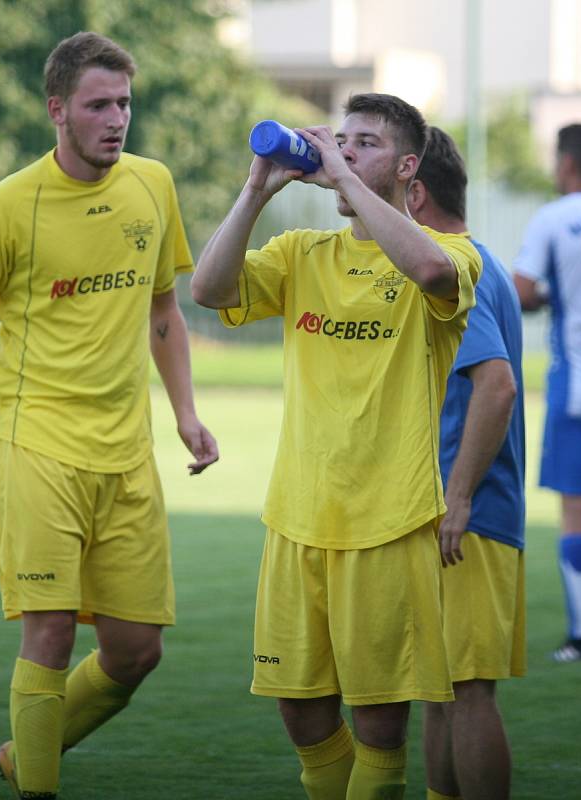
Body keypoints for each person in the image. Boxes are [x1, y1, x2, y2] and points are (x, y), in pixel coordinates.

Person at [0, 31, 218, 800]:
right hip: (37, 450)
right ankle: (39, 787)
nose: (116, 119)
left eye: (124, 103)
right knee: (52, 633)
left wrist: (186, 414)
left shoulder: (153, 186)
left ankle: (22, 754)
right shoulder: (6, 208)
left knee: (136, 653)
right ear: (57, 110)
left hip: (127, 456)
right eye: (99, 105)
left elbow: (163, 311)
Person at [191, 94, 481, 800]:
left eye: (365, 144)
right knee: (301, 710)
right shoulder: (301, 253)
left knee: (379, 724)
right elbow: (207, 288)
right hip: (296, 518)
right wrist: (257, 187)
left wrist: (343, 183)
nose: (343, 151)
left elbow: (433, 276)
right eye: (339, 139)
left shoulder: (450, 254)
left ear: (406, 166)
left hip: (387, 522)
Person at [407, 126, 526, 800]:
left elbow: (497, 385)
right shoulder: (481, 258)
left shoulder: (457, 264)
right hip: (461, 509)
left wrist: (457, 497)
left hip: (470, 516)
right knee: (438, 689)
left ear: (414, 192)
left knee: (466, 691)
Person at [513, 123, 581, 662]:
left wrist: (555, 295)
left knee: (577, 511)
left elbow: (523, 291)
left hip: (580, 380)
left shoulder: (554, 217)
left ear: (568, 164)